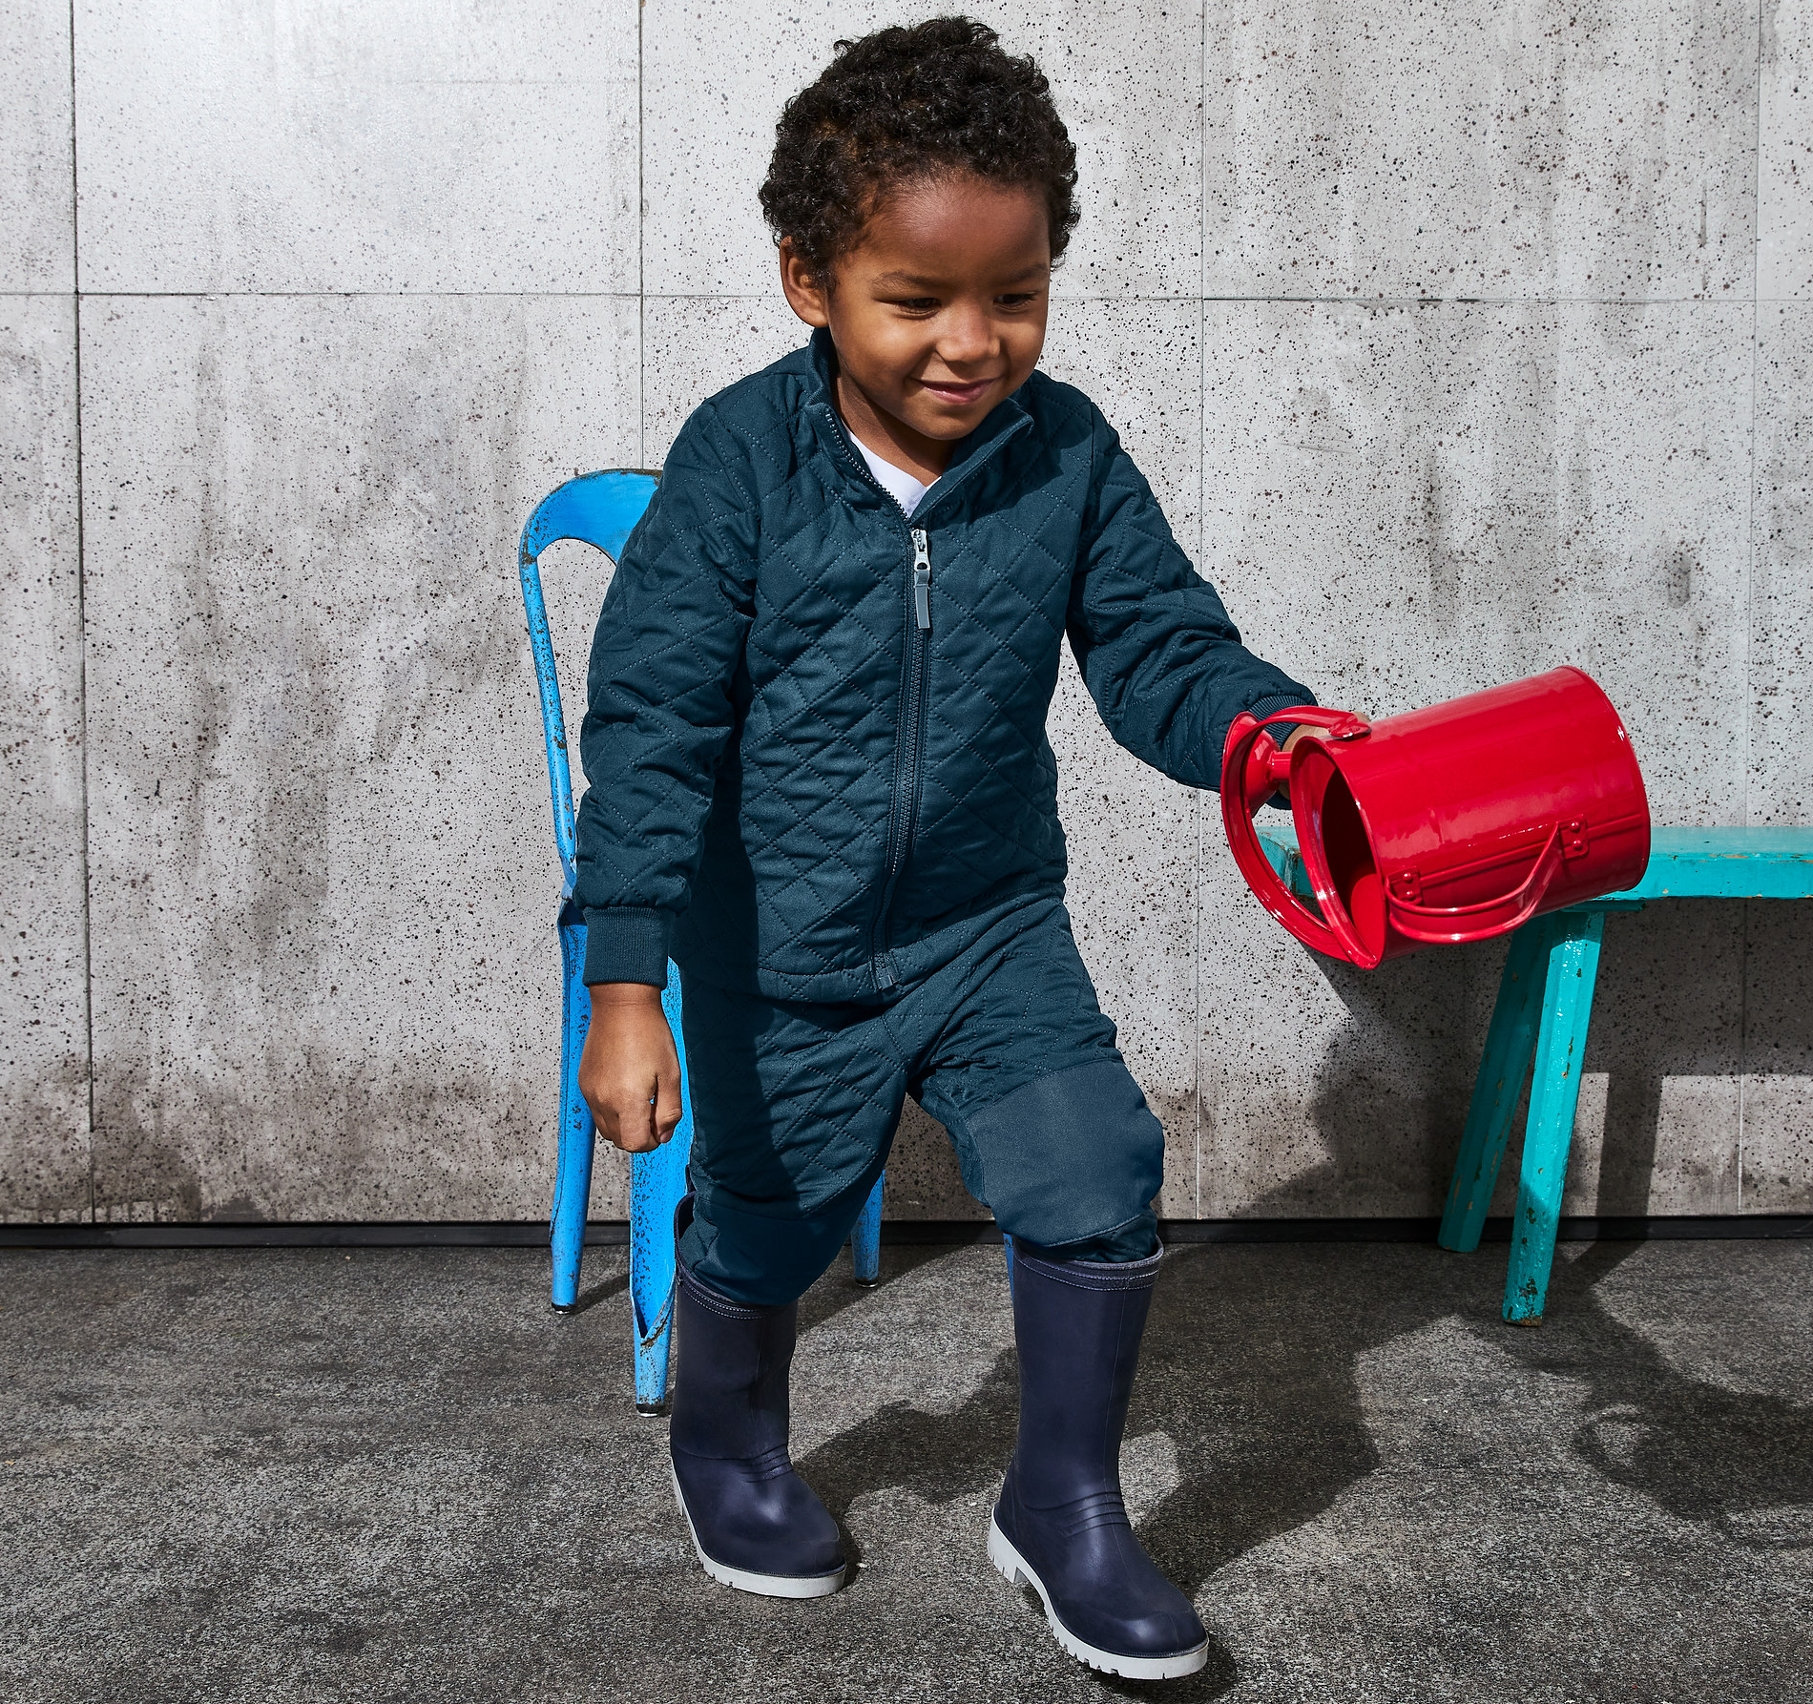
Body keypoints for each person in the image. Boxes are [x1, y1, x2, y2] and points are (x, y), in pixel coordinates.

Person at [573, 16, 1314, 1682]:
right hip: (780, 945)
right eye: (918, 300)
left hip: (990, 922)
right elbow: (649, 727)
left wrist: (1278, 742)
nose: (974, 344)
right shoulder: (739, 464)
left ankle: (1063, 1505)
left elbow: (1161, 651)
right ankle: (729, 1444)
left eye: (1017, 294)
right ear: (809, 283)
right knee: (766, 1220)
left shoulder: (1068, 457)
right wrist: (628, 975)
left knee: (1097, 1167)